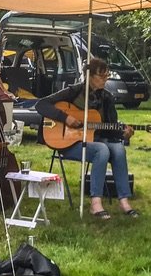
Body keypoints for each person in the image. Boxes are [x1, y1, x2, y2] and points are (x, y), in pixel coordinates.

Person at [35, 57, 139, 219]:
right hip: (69, 143)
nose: (105, 79)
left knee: (119, 149)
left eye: (107, 75)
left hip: (96, 140)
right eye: (101, 76)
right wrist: (65, 118)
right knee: (102, 150)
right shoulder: (74, 92)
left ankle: (124, 201)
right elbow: (41, 105)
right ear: (89, 76)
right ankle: (95, 204)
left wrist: (123, 134)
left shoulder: (107, 98)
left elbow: (110, 128)